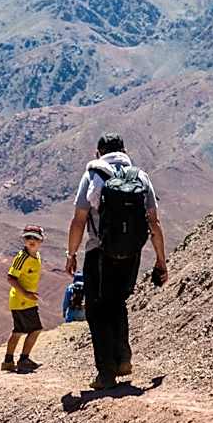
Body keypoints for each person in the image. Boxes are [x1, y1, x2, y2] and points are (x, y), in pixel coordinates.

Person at [65, 133, 168, 390]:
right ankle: (123, 359)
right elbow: (154, 222)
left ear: (98, 152)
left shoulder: (93, 175)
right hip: (131, 254)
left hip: (98, 253)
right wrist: (160, 260)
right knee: (117, 303)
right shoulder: (140, 177)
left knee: (96, 310)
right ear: (124, 150)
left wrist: (71, 253)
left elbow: (79, 220)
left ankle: (106, 373)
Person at [2, 225, 45, 373]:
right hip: (22, 300)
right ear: (23, 240)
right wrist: (26, 293)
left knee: (18, 331)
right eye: (28, 237)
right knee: (36, 329)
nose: (31, 240)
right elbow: (11, 278)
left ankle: (8, 361)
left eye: (35, 238)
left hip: (25, 300)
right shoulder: (22, 257)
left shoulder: (36, 256)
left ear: (41, 241)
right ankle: (23, 359)